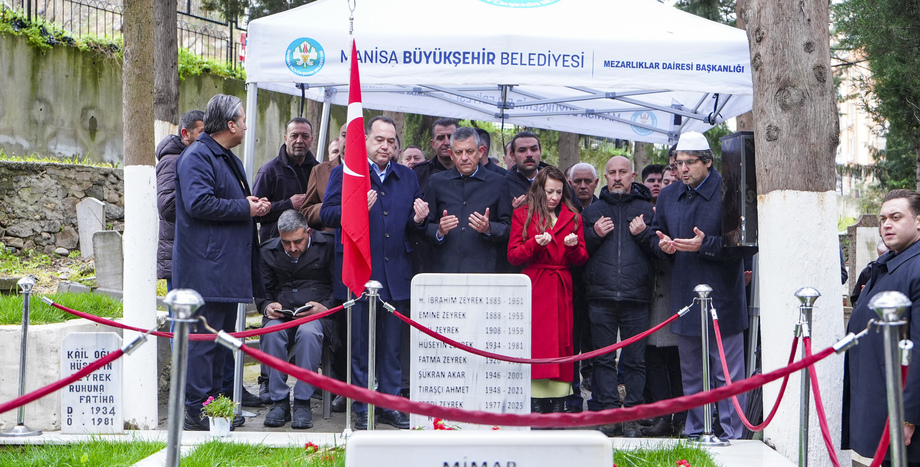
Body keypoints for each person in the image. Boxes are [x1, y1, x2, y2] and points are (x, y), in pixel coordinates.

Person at [321, 115, 429, 430]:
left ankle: (390, 405)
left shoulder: (407, 176)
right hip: (359, 272)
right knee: (360, 346)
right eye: (379, 140)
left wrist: (419, 219)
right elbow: (327, 214)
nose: (385, 146)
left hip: (395, 272)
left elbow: (410, 226)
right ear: (366, 140)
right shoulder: (346, 172)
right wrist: (354, 208)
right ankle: (361, 406)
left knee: (392, 346)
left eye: (391, 141)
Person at [173, 94, 269, 431]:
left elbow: (224, 198)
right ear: (230, 124)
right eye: (242, 120)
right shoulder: (197, 156)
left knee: (219, 342)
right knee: (203, 343)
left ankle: (215, 408)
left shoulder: (225, 157)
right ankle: (196, 410)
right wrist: (245, 208)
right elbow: (199, 203)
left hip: (223, 270)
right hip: (205, 271)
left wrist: (248, 203)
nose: (246, 126)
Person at [649, 131, 751, 440]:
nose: (682, 169)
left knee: (726, 372)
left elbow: (742, 245)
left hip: (723, 296)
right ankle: (695, 431)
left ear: (708, 162)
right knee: (692, 372)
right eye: (678, 163)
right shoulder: (668, 195)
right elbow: (655, 234)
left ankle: (734, 434)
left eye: (689, 162)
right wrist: (662, 246)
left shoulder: (729, 190)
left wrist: (704, 245)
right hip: (685, 294)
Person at [844, 189, 920, 465]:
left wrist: (908, 416)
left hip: (901, 410)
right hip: (879, 398)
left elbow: (918, 348)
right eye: (883, 219)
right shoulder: (887, 263)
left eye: (896, 217)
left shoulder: (915, 268)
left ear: (919, 221)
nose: (886, 224)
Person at [581, 156, 655, 438]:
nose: (617, 177)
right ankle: (610, 415)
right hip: (600, 296)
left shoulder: (646, 210)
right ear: (605, 177)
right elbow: (578, 253)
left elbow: (659, 250)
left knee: (636, 360)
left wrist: (644, 233)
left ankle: (632, 417)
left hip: (637, 296)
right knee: (603, 360)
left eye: (623, 172)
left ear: (632, 176)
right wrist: (594, 234)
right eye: (612, 172)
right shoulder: (593, 211)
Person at [507, 166, 588, 415]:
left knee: (563, 342)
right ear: (539, 190)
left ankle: (559, 403)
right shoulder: (522, 214)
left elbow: (582, 258)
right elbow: (513, 256)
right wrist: (534, 244)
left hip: (561, 285)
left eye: (559, 192)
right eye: (549, 191)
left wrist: (573, 247)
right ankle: (535, 403)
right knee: (536, 342)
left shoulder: (573, 217)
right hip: (535, 286)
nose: (554, 197)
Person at [257, 210, 335, 429]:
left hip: (317, 314)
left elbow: (340, 287)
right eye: (286, 242)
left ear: (308, 232)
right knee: (271, 332)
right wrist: (267, 306)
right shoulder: (268, 251)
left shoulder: (327, 245)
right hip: (283, 315)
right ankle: (279, 401)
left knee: (309, 333)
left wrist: (325, 307)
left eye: (298, 241)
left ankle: (302, 401)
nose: (292, 248)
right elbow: (263, 291)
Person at [423, 127, 512, 273]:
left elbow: (508, 227)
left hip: (484, 270)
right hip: (446, 268)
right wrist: (439, 230)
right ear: (451, 154)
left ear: (481, 151)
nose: (464, 157)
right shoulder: (436, 182)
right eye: (459, 152)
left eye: (470, 151)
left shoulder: (498, 182)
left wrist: (489, 228)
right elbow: (425, 227)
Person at [156, 109, 203, 290]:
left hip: (191, 252)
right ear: (185, 134)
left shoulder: (193, 158)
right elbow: (167, 207)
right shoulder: (172, 161)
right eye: (202, 132)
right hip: (180, 255)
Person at [253, 117, 319, 240]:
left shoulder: (319, 170)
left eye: (305, 136)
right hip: (277, 245)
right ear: (285, 138)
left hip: (312, 244)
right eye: (294, 136)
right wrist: (289, 204)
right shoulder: (269, 171)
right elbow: (255, 213)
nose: (299, 141)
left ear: (311, 140)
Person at [302, 125, 346, 232]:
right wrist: (328, 209)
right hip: (330, 238)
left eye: (354, 135)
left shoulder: (372, 169)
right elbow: (305, 212)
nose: (349, 140)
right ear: (339, 140)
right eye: (344, 135)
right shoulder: (319, 170)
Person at [504, 131, 550, 208]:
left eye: (534, 149)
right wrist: (514, 211)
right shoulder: (504, 186)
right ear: (512, 155)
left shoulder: (555, 180)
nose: (529, 154)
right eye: (522, 150)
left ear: (540, 152)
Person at [413, 117, 459, 194]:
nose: (446, 143)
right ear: (433, 143)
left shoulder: (470, 171)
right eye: (440, 138)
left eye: (450, 137)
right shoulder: (419, 173)